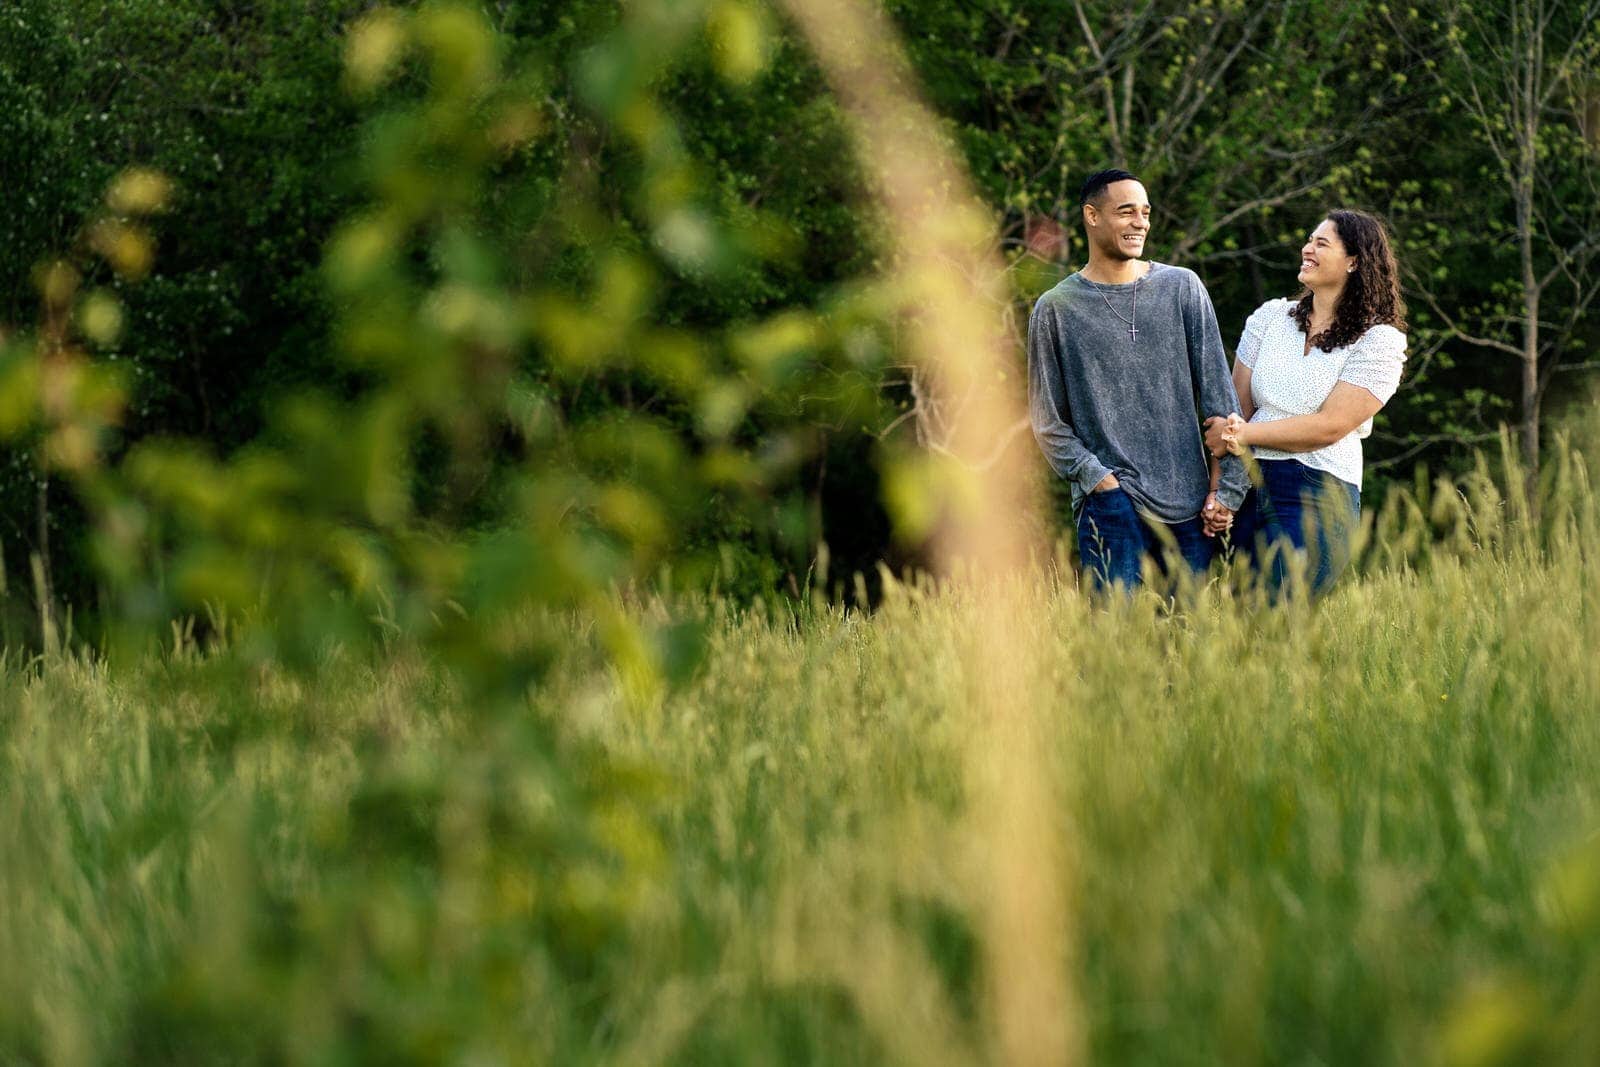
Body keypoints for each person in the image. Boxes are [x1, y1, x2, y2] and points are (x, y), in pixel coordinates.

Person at [1028, 168, 1249, 592]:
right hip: (1111, 505)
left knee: (1189, 642)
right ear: (1092, 216)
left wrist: (1227, 493)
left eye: (1145, 213)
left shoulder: (1182, 288)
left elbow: (1222, 405)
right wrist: (1097, 479)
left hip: (1189, 509)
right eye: (1126, 212)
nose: (1140, 222)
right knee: (1117, 640)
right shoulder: (1056, 309)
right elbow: (1047, 422)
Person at [1205, 208, 1408, 597]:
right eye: (1308, 240)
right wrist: (1219, 493)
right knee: (1235, 622)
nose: (1307, 249)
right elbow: (1236, 412)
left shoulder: (1379, 341)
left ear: (1353, 261)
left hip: (1317, 488)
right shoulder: (1269, 318)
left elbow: (1330, 425)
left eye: (1321, 243)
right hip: (1248, 484)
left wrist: (1243, 435)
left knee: (1278, 615)